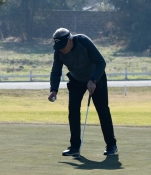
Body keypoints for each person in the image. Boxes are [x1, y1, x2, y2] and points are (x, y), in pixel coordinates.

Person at [48, 28, 118, 157]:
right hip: (76, 80)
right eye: (58, 46)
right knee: (73, 111)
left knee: (103, 110)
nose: (61, 49)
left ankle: (111, 145)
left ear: (70, 40)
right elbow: (56, 71)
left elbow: (101, 62)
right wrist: (53, 90)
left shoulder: (83, 41)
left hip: (96, 78)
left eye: (63, 46)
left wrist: (93, 80)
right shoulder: (59, 51)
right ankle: (74, 147)